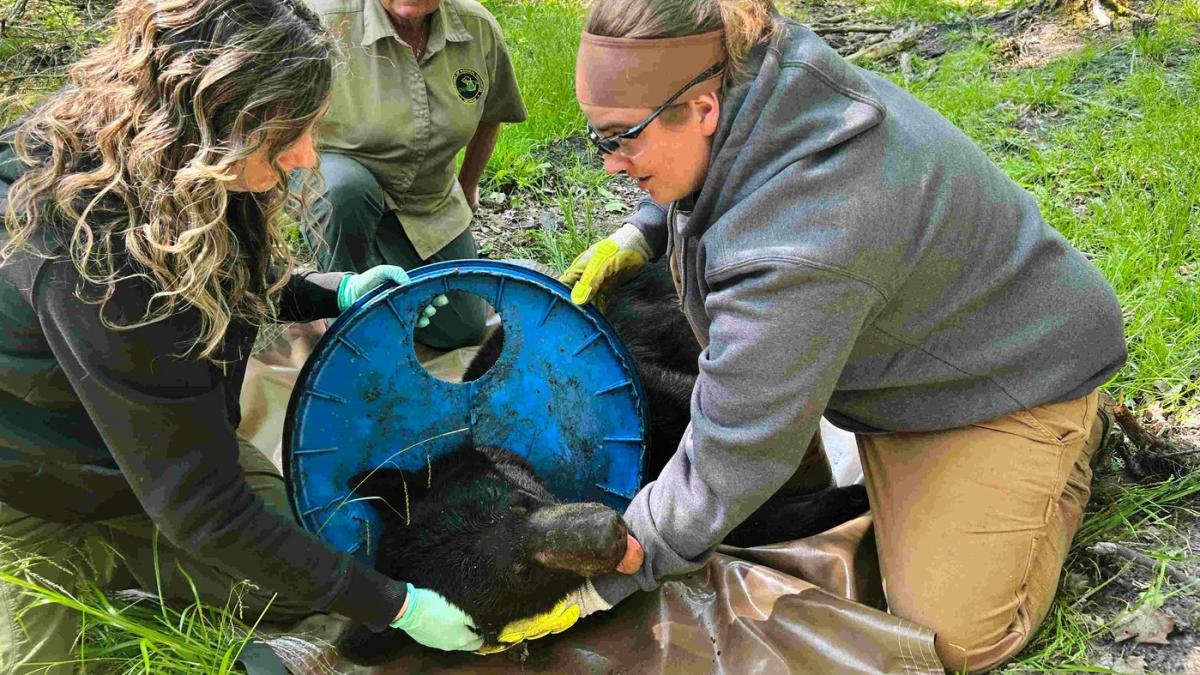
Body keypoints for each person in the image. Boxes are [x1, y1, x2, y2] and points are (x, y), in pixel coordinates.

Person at [550, 1, 1128, 671]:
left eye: (622, 138)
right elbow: (711, 167)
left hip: (1013, 378)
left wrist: (608, 575)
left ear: (702, 108)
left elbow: (733, 456)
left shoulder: (801, 235)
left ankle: (1069, 442)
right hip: (916, 344)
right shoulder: (755, 78)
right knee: (769, 457)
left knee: (957, 634)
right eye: (600, 139)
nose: (612, 164)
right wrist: (643, 229)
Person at [0, 0, 493, 669]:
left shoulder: (173, 158)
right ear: (217, 124)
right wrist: (398, 606)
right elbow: (208, 511)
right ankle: (98, 568)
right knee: (55, 661)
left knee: (318, 568)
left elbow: (221, 276)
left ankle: (154, 557)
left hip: (158, 438)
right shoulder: (100, 263)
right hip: (38, 486)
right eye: (287, 136)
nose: (307, 156)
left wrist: (333, 290)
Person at [300, 0, 528, 350]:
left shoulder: (477, 27)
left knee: (463, 329)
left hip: (427, 199)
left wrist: (467, 187)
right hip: (337, 184)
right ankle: (343, 322)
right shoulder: (321, 20)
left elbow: (491, 114)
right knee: (343, 190)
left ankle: (379, 265)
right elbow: (269, 119)